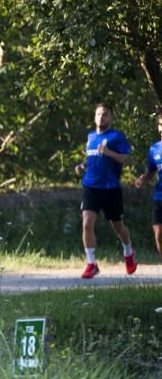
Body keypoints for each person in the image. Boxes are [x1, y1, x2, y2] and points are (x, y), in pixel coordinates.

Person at [74, 103, 136, 278]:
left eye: (105, 114)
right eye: (98, 114)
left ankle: (128, 251)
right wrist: (82, 166)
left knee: (118, 226)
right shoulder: (91, 136)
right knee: (86, 223)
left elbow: (126, 158)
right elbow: (92, 158)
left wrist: (109, 152)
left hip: (110, 188)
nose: (101, 117)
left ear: (111, 117)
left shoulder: (116, 136)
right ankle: (91, 263)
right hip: (91, 186)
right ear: (94, 117)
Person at [134, 112, 162, 258]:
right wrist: (143, 179)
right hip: (159, 197)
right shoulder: (154, 149)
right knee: (158, 236)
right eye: (160, 124)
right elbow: (151, 171)